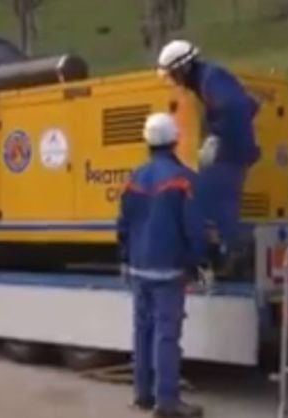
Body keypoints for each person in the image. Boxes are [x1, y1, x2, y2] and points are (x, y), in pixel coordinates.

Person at [117, 113, 209, 418]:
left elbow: (123, 224)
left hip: (139, 268)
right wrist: (197, 262)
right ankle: (167, 402)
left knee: (142, 331)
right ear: (175, 140)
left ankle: (142, 395)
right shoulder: (182, 179)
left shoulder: (134, 178)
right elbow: (193, 228)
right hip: (169, 269)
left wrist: (125, 259)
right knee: (166, 335)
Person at [156, 40, 261, 276]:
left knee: (215, 200)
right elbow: (249, 105)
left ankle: (233, 253)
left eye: (174, 74)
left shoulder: (211, 79)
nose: (174, 80)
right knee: (214, 199)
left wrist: (217, 137)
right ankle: (229, 252)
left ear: (184, 68)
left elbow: (237, 106)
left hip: (230, 153)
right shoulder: (206, 80)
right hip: (234, 150)